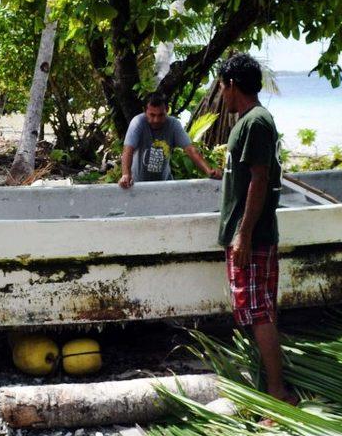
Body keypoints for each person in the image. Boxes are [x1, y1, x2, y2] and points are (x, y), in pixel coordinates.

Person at [217, 53, 293, 405]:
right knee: (255, 311)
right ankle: (268, 385)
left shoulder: (255, 122)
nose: (222, 95)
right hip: (249, 234)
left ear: (232, 84)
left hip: (253, 236)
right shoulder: (250, 122)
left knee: (259, 312)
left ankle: (278, 393)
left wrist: (243, 233)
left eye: (222, 87)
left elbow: (259, 180)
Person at [118, 92, 218, 188]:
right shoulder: (138, 122)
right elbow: (128, 150)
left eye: (161, 115)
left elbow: (191, 150)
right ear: (145, 111)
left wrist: (209, 171)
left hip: (164, 184)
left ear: (167, 110)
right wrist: (126, 175)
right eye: (152, 115)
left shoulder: (173, 125)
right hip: (138, 185)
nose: (156, 120)